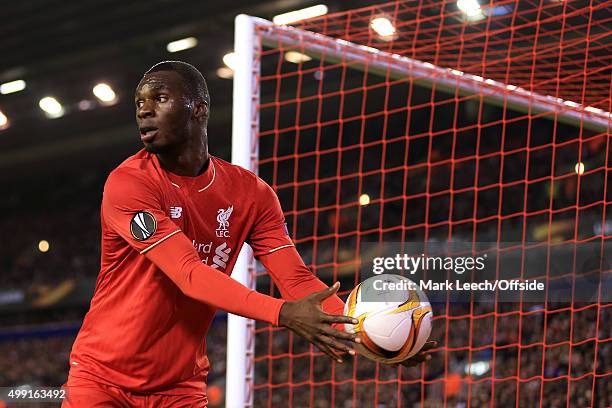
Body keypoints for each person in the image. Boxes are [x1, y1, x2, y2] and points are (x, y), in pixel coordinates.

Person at [63, 61, 435, 407]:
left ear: (199, 109)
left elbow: (294, 278)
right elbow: (189, 274)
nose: (144, 109)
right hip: (103, 379)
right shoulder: (129, 184)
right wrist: (282, 313)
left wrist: (370, 335)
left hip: (178, 387)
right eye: (140, 102)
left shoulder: (250, 194)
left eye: (159, 98)